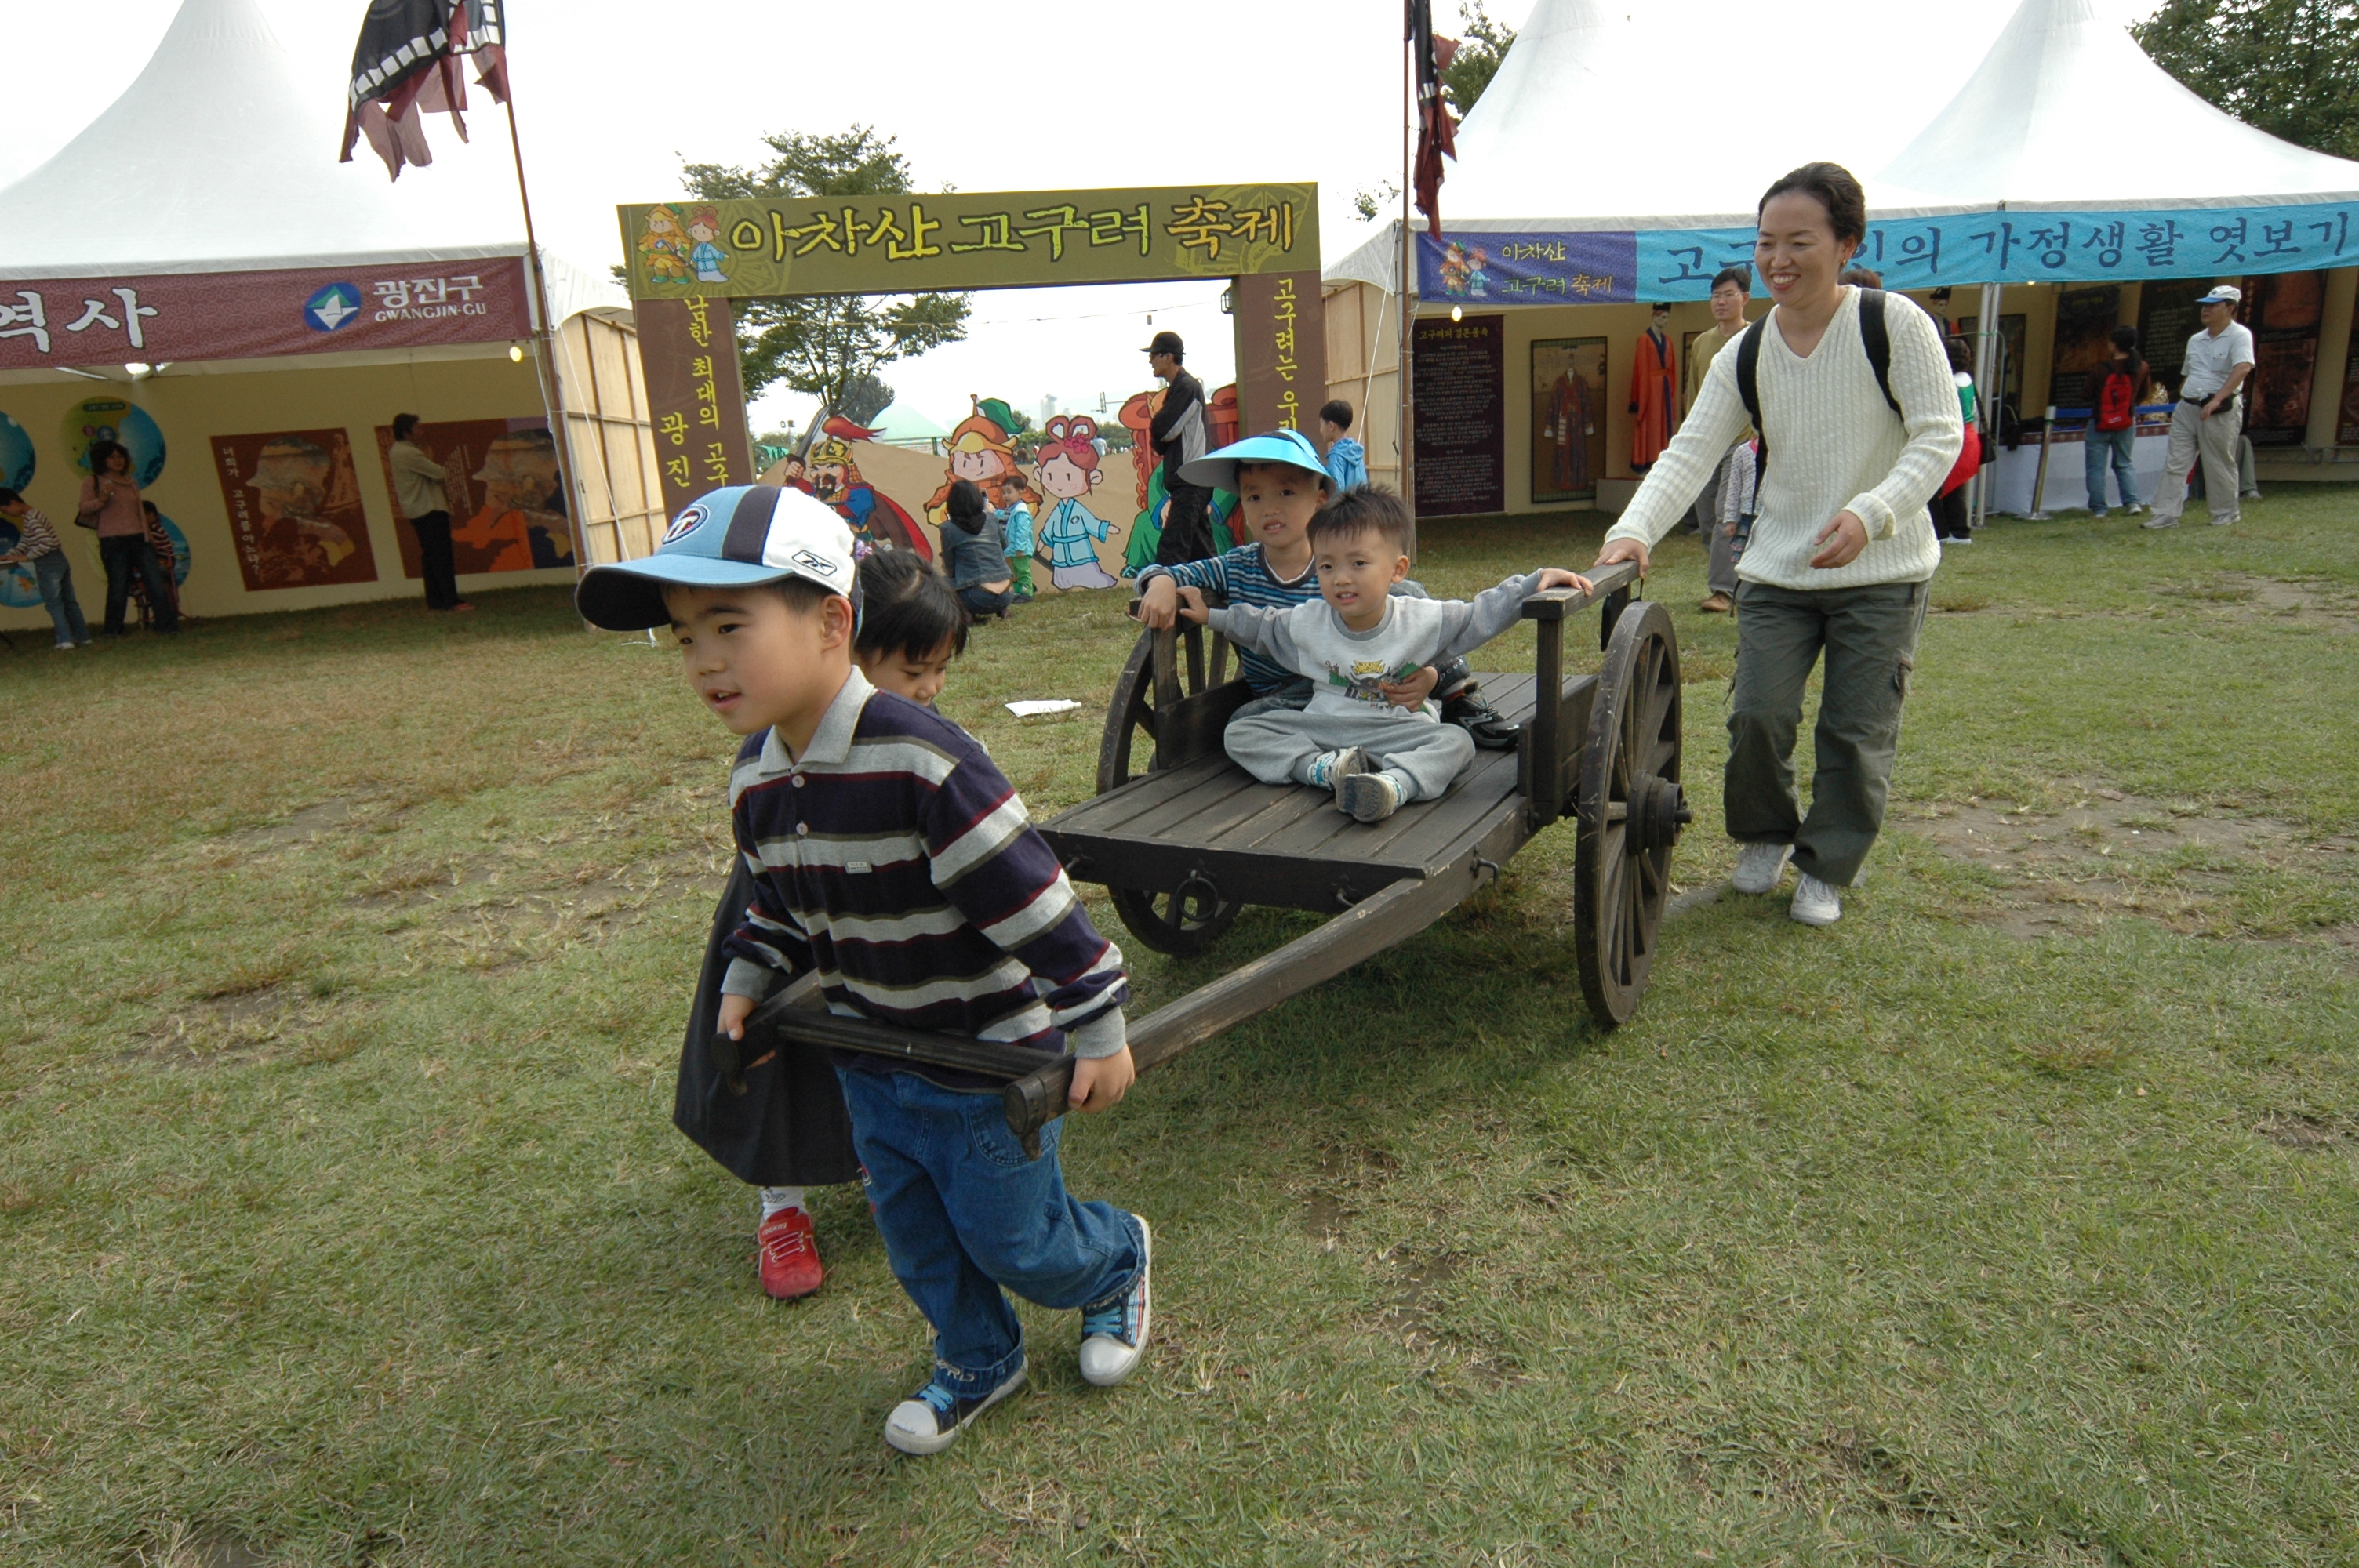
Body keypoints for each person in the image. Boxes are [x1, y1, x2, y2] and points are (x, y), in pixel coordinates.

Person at [573, 485, 1149, 1457]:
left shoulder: (922, 761)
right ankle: (977, 1356)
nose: (704, 659)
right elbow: (777, 902)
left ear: (833, 619)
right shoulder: (756, 773)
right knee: (918, 1240)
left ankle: (1111, 1262)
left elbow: (1035, 899)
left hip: (984, 1061)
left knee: (1017, 1240)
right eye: (682, 637)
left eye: (728, 623)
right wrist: (748, 976)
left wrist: (1098, 1025)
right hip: (872, 1059)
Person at [1590, 162, 1961, 928]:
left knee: (1854, 731)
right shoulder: (1744, 353)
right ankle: (1763, 835)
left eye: (1799, 241)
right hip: (1778, 569)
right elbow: (1689, 451)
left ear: (1846, 243)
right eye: (1765, 243)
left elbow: (1937, 436)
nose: (1777, 260)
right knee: (1756, 714)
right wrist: (1632, 529)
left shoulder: (1892, 325)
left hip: (1882, 571)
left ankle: (1825, 864)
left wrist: (1871, 513)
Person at [1175, 485, 1587, 823]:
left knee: (1456, 743)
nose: (1342, 579)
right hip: (1328, 729)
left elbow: (1480, 614)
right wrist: (1212, 616)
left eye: (1358, 563)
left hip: (1398, 730)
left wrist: (1531, 584)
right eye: (1327, 567)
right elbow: (1262, 626)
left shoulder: (1420, 619)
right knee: (1241, 732)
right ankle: (1324, 770)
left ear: (1397, 569)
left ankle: (1393, 786)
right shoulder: (1308, 621)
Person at [1134, 428, 1526, 750]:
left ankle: (1458, 695)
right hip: (1289, 691)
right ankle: (1323, 765)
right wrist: (1161, 582)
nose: (1269, 508)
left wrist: (1426, 674)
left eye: (1286, 493)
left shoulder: (1337, 564)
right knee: (1242, 724)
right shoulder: (1234, 566)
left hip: (1363, 676)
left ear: (1320, 501)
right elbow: (1168, 570)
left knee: (1411, 597)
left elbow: (1410, 625)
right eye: (1254, 497)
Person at [2146, 285, 2254, 530]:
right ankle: (2165, 514)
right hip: (2188, 406)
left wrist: (2216, 400)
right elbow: (2189, 374)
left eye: (2213, 305)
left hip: (2218, 409)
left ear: (2230, 309)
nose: (2206, 309)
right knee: (2176, 461)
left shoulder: (2240, 336)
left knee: (2218, 461)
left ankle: (2226, 512)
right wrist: (2177, 403)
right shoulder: (2196, 339)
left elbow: (2243, 368)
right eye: (2205, 305)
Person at [1688, 265, 1754, 609]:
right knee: (1707, 518)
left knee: (1725, 513)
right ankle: (1736, 575)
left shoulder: (1756, 338)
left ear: (1745, 298)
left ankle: (1723, 591)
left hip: (1744, 441)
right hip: (1708, 443)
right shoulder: (1702, 343)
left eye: (1728, 295)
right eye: (1716, 296)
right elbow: (1694, 395)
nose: (1721, 302)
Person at [79, 440, 177, 637]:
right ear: (102, 460)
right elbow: (84, 508)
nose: (118, 461)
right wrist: (103, 499)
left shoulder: (131, 481)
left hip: (140, 540)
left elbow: (139, 511)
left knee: (155, 582)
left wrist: (149, 537)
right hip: (113, 541)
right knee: (118, 587)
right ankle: (113, 631)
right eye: (112, 457)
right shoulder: (93, 481)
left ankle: (166, 626)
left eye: (121, 456)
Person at [385, 415, 472, 611]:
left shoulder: (397, 451)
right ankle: (450, 601)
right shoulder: (409, 453)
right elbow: (439, 473)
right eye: (417, 428)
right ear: (406, 431)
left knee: (431, 557)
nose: (421, 431)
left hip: (418, 510)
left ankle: (436, 601)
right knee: (441, 556)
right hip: (429, 509)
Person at [1144, 331, 1214, 564]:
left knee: (1173, 545)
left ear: (1168, 357)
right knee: (1200, 548)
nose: (1150, 361)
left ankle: (1161, 590)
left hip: (1191, 479)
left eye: (1154, 355)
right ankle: (1218, 594)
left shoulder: (1187, 387)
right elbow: (1163, 434)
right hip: (1191, 480)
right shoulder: (1180, 388)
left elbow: (1164, 429)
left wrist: (1157, 433)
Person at [0, 488, 89, 649]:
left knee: (54, 603)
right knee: (69, 601)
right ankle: (83, 636)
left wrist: (27, 557)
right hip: (59, 560)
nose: (7, 513)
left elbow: (47, 543)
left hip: (49, 564)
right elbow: (26, 541)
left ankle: (64, 640)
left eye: (5, 509)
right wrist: (10, 554)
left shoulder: (32, 519)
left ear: (14, 503)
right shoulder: (31, 516)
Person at [2084, 325, 2151, 519]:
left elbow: (2086, 394)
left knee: (2096, 468)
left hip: (2100, 423)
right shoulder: (2142, 367)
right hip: (2126, 422)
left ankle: (2099, 508)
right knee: (2124, 464)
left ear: (2113, 345)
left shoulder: (2101, 369)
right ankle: (2132, 503)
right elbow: (2145, 394)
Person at [1930, 336, 1982, 545]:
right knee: (1955, 487)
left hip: (1956, 436)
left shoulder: (1949, 383)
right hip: (1970, 436)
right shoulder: (1967, 380)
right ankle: (1957, 531)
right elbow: (1975, 412)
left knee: (1943, 487)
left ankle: (1954, 532)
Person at [938, 479, 1014, 619]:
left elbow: (949, 566)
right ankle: (1002, 610)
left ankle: (967, 614)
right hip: (1007, 593)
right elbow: (1005, 545)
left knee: (942, 582)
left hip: (976, 598)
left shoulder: (948, 528)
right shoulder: (990, 519)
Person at [1318, 400, 1368, 492]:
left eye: (1321, 424)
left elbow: (1336, 491)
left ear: (1331, 426)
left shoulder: (1336, 456)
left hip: (1346, 507)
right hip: (1362, 505)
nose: (1320, 430)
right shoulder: (1356, 452)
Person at [996, 487, 1035, 603]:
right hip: (1011, 549)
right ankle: (1019, 592)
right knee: (1014, 573)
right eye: (1003, 492)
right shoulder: (1010, 510)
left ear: (1020, 494)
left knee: (1022, 571)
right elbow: (1001, 515)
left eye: (1009, 492)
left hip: (1020, 550)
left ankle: (1027, 593)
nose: (1006, 496)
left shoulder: (1021, 512)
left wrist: (1020, 548)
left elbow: (1023, 531)